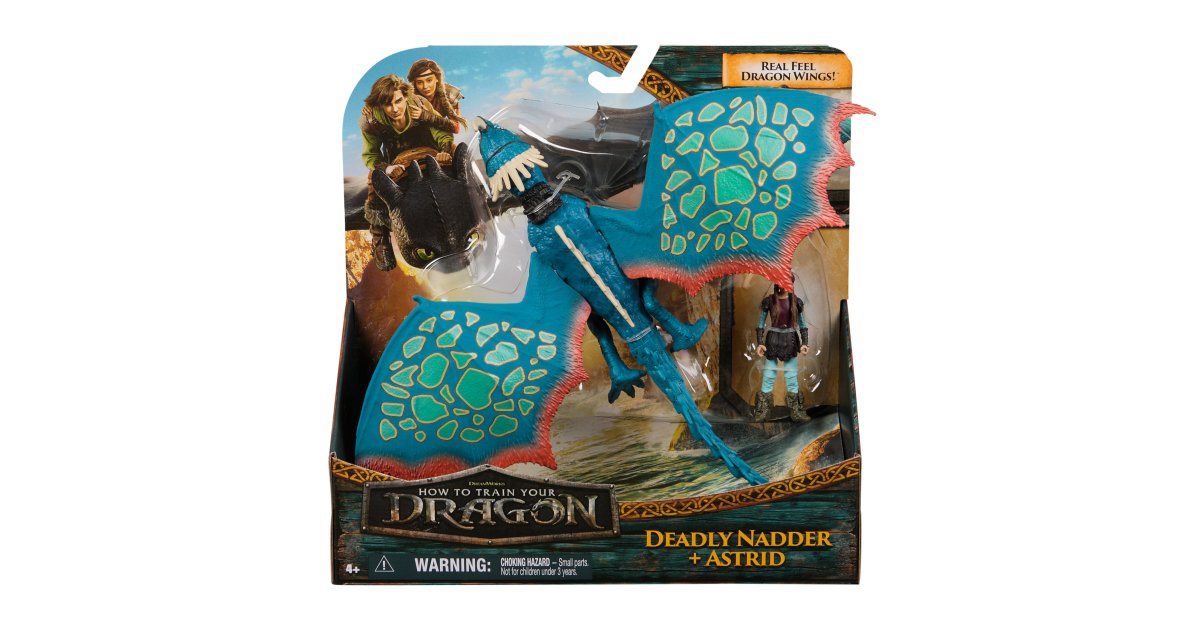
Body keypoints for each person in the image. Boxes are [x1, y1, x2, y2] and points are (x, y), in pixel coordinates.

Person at [358, 74, 455, 270]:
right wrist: (387, 168)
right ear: (379, 105)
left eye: (398, 101)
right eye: (388, 104)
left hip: (431, 155)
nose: (395, 109)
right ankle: (380, 237)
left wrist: (444, 151)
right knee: (373, 180)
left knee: (458, 154)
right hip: (398, 164)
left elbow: (441, 132)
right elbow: (370, 154)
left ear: (405, 96)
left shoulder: (419, 105)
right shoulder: (371, 121)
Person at [754, 278, 811, 422]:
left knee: (791, 376)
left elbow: (803, 324)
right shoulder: (769, 301)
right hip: (773, 340)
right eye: (780, 280)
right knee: (768, 375)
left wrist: (805, 343)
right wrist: (760, 343)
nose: (783, 284)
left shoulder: (796, 302)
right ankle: (763, 410)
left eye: (785, 281)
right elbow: (760, 323)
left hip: (790, 341)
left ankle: (796, 411)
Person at [407, 58, 466, 133]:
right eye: (419, 82)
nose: (425, 86)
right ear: (415, 83)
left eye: (429, 80)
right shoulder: (410, 99)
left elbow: (455, 128)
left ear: (437, 79)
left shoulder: (450, 94)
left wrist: (427, 116)